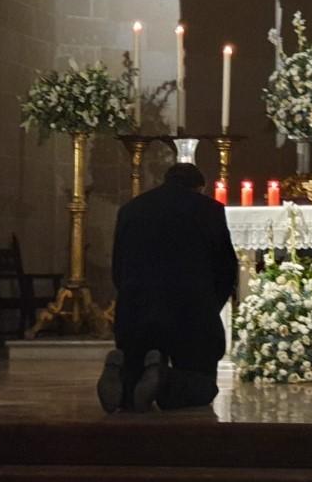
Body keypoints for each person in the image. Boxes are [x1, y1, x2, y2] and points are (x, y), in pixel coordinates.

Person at [99, 162, 238, 413]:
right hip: (190, 313)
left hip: (136, 312)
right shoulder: (209, 210)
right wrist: (208, 306)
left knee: (136, 380)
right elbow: (226, 269)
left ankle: (123, 379)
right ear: (199, 187)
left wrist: (133, 300)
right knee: (201, 386)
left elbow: (118, 267)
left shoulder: (131, 209)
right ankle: (164, 380)